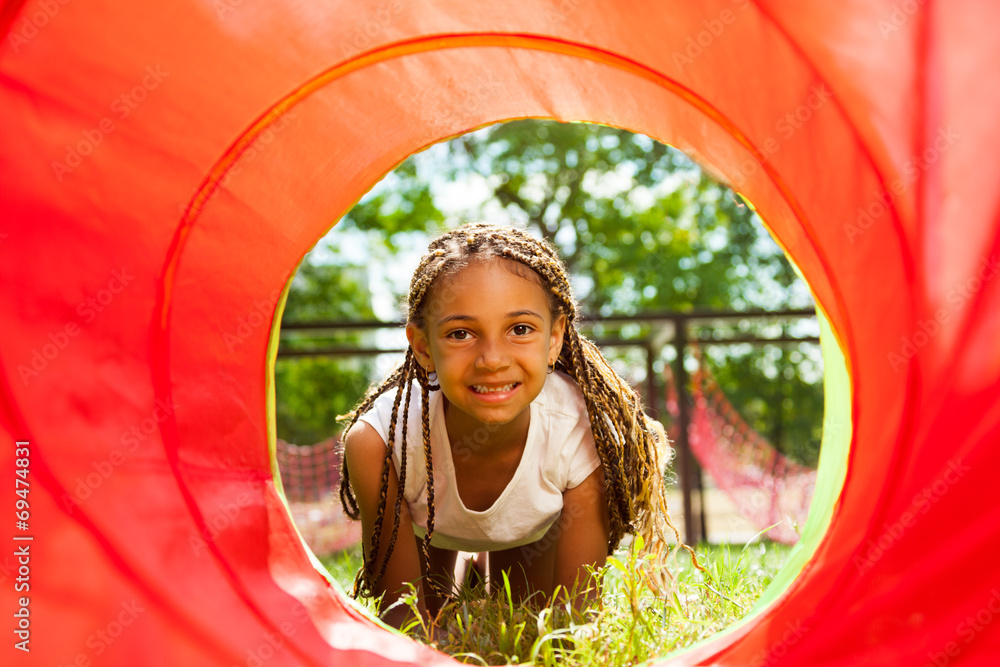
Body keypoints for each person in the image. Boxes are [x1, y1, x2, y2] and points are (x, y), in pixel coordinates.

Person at [338, 222, 689, 630]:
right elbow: (400, 621)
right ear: (423, 347)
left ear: (555, 338)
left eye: (520, 329)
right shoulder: (380, 442)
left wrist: (566, 627)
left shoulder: (581, 431)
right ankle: (463, 571)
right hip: (428, 524)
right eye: (461, 333)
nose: (492, 359)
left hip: (532, 528)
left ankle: (481, 568)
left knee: (530, 622)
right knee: (426, 622)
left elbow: (575, 622)